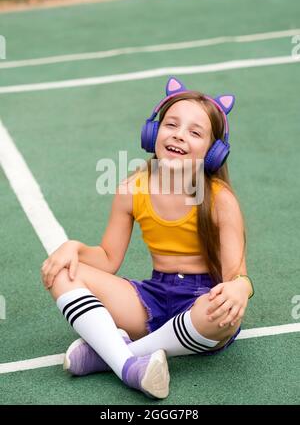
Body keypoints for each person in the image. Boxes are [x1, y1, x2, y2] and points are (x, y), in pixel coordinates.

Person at [41, 77, 254, 400]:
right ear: (153, 132)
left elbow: (236, 275)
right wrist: (75, 248)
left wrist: (241, 287)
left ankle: (108, 356)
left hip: (201, 303)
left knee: (218, 314)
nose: (179, 135)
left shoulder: (220, 199)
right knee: (62, 272)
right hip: (152, 299)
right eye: (171, 125)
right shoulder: (131, 188)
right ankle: (130, 366)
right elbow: (108, 259)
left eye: (195, 132)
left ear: (213, 152)